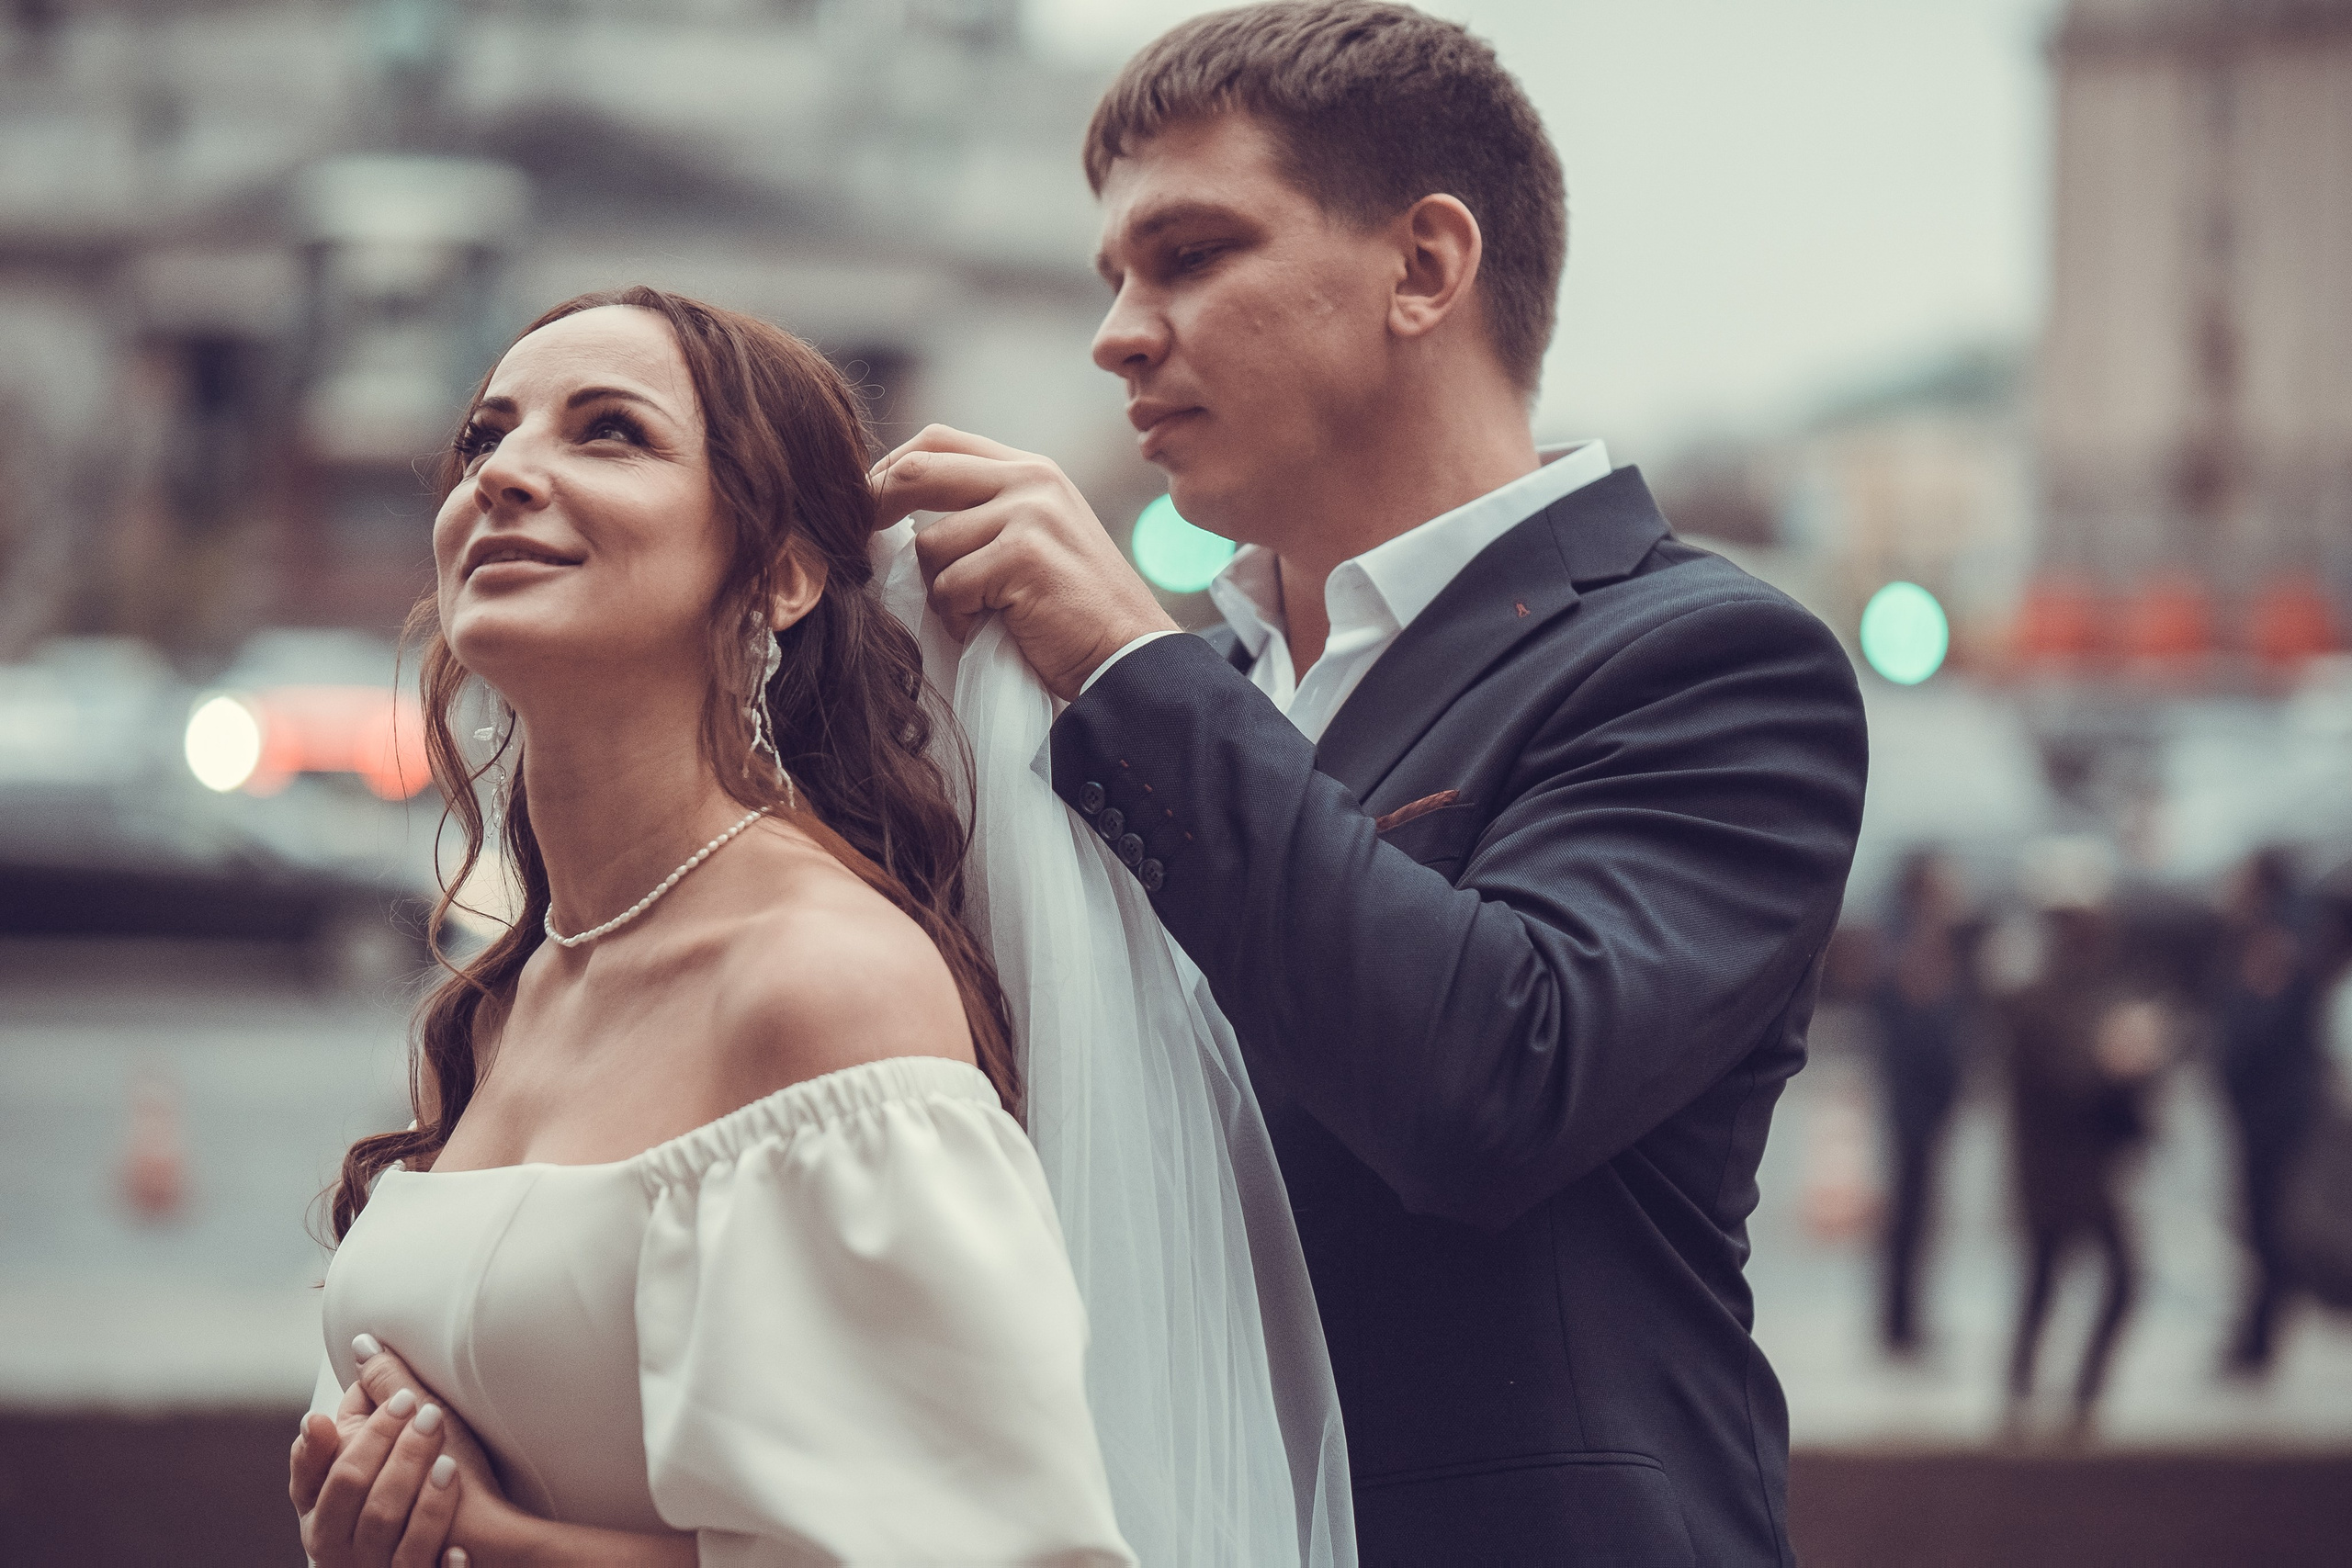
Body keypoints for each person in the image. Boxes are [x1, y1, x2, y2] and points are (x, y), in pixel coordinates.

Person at [870, 5, 1869, 1560]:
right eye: (1114, 278)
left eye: (1190, 255)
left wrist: (1137, 671)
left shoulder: (1714, 663)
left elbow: (1495, 1077)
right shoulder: (1165, 695)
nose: (1119, 331)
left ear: (1425, 266)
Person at [288, 290, 1154, 1566]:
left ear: (782, 573)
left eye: (609, 433)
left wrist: (487, 1543)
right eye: (486, 437)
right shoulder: (502, 1002)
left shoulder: (823, 982)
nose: (508, 474)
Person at [1997, 861, 2166, 1443]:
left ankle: (2053, 1400)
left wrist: (2135, 1069)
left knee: (2057, 1282)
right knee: (2081, 1280)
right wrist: (2119, 1063)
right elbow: (2068, 1085)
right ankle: (2040, 1399)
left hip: (2080, 1170)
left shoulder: (2087, 993)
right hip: (2057, 1171)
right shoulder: (2040, 999)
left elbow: (2122, 1101)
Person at [2212, 846, 2326, 1377]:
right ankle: (2257, 1335)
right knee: (2260, 1224)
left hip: (2271, 1112)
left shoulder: (2275, 940)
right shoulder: (2282, 935)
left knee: (2266, 1225)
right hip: (2268, 1109)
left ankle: (2259, 1340)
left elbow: (2257, 1027)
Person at [1869, 849, 1982, 1359]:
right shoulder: (1910, 945)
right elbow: (1918, 1026)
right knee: (1909, 1218)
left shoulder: (1925, 941)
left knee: (1921, 1217)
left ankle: (1908, 1321)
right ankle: (1900, 1326)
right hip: (1912, 1103)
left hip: (1928, 1102)